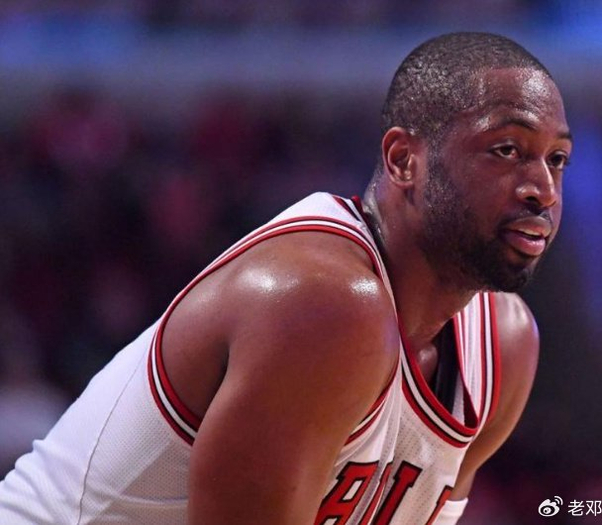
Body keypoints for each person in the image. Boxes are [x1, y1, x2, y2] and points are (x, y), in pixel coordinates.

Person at [0, 31, 572, 524]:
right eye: (507, 150)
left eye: (557, 160)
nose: (542, 190)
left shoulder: (504, 344)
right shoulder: (322, 300)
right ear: (404, 160)